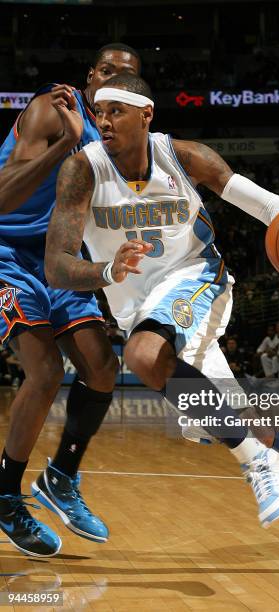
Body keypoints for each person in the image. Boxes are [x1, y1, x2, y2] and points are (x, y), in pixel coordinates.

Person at [45, 74, 279, 580]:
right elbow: (57, 265)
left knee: (145, 357)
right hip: (140, 310)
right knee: (248, 428)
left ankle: (258, 464)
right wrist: (107, 271)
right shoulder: (81, 171)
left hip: (196, 280)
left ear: (146, 114)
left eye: (115, 110)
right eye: (97, 110)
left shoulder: (184, 156)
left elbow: (265, 204)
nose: (102, 120)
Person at [0, 43, 141, 557]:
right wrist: (67, 146)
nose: (111, 82)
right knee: (43, 370)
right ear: (90, 76)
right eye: (106, 72)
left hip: (62, 256)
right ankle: (6, 494)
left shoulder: (121, 137)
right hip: (7, 253)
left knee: (102, 367)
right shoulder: (50, 110)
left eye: (123, 78)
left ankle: (60, 477)